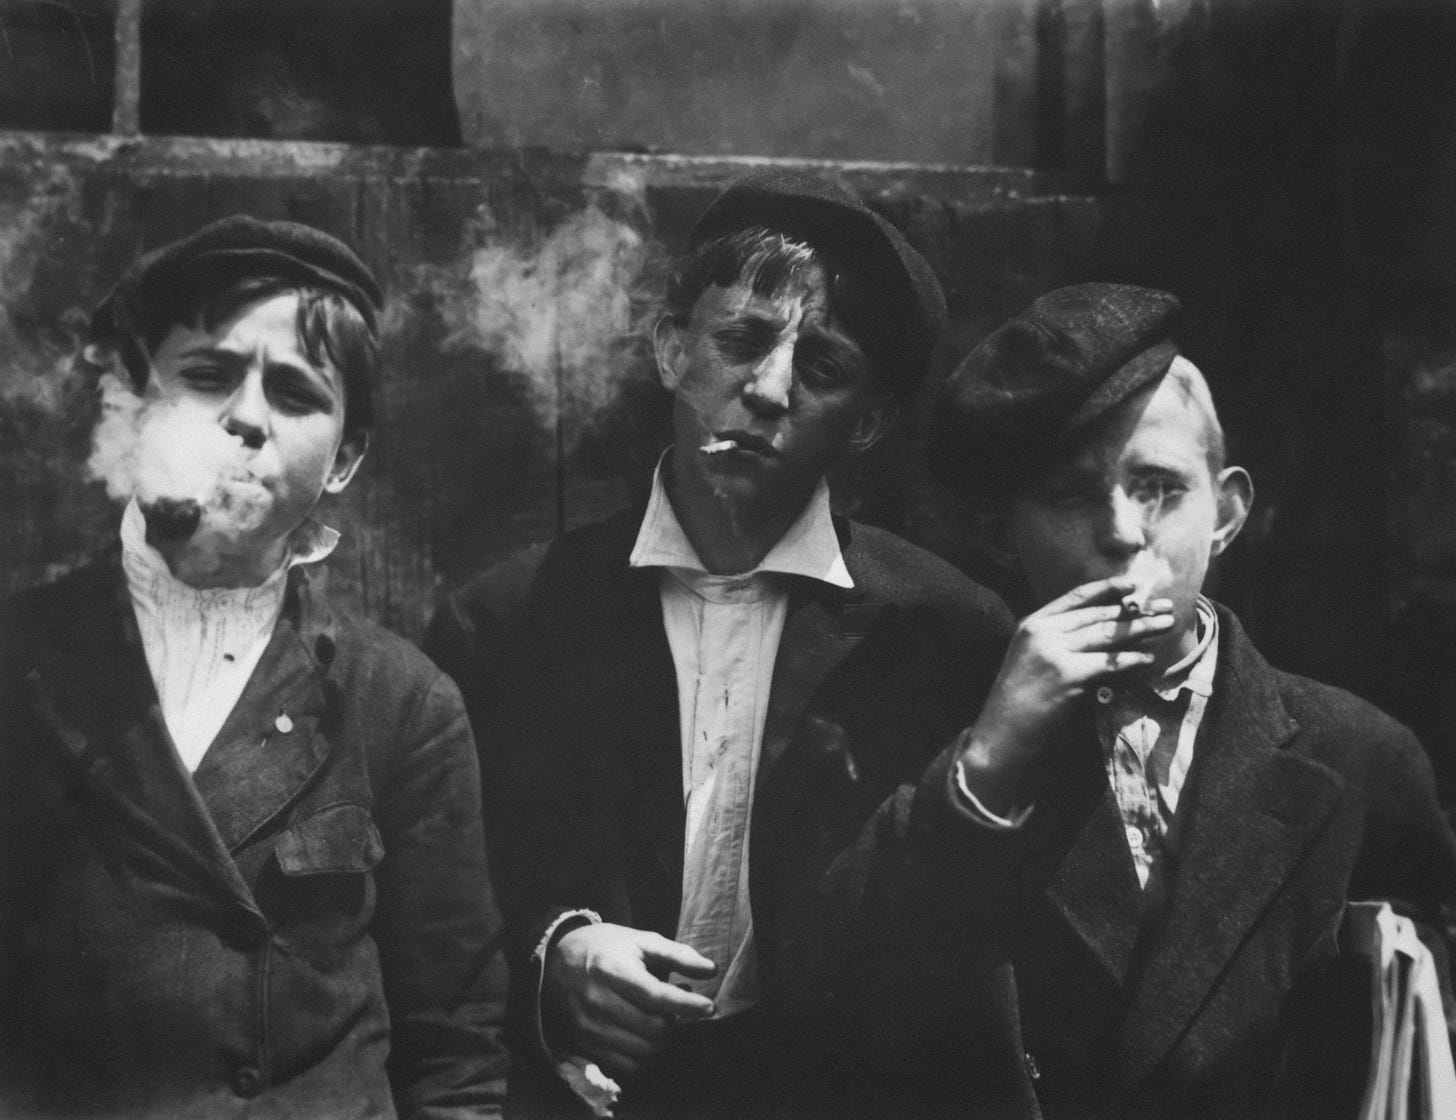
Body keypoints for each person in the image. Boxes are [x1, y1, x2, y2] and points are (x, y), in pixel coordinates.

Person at [790, 282, 1456, 1119]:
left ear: (1229, 512)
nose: (1122, 532)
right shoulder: (923, 736)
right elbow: (836, 1020)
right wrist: (986, 766)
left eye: (1159, 487)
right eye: (1070, 496)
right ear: (1001, 535)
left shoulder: (1359, 758)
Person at [426, 171, 1014, 1118]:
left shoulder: (945, 636)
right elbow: (440, 911)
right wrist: (553, 956)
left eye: (822, 368)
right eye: (739, 341)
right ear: (670, 350)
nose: (769, 388)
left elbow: (965, 937)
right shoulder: (506, 624)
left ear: (867, 422)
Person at [0, 215, 509, 1118]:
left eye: (297, 393)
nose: (245, 417)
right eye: (206, 376)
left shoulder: (402, 703)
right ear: (135, 402)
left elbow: (456, 1049)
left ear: (346, 456)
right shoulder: (19, 661)